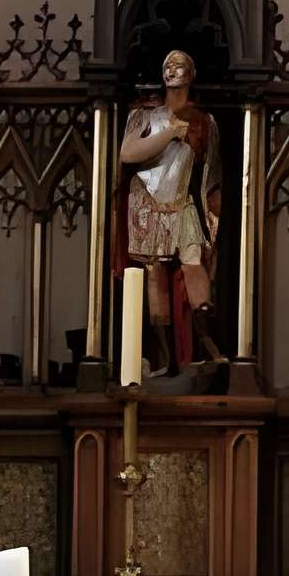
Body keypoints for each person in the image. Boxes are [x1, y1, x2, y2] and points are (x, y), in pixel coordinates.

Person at [117, 49, 222, 376]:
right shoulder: (144, 115)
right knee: (155, 273)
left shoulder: (203, 121)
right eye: (168, 66)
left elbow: (212, 171)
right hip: (148, 200)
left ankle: (206, 342)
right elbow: (128, 154)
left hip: (182, 201)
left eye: (180, 66)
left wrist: (211, 213)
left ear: (191, 74)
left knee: (193, 266)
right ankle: (162, 355)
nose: (173, 71)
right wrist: (169, 133)